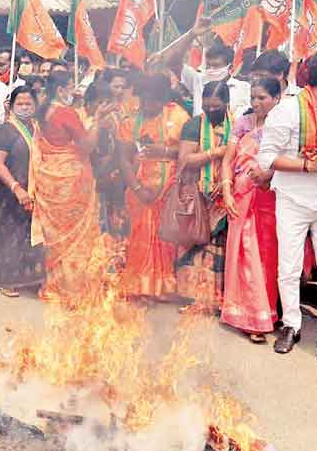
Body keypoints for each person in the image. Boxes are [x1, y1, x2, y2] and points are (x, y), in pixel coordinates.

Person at [256, 49, 317, 361]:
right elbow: (266, 157)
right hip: (293, 199)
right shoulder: (288, 110)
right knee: (289, 266)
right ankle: (291, 324)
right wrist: (305, 166)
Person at [220, 77, 281, 342]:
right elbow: (227, 160)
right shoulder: (242, 123)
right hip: (240, 195)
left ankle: (263, 314)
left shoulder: (282, 126)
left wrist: (267, 176)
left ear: (277, 98)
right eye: (254, 98)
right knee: (241, 254)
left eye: (263, 98)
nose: (257, 103)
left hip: (268, 197)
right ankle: (245, 315)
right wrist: (226, 190)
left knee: (265, 256)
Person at [119, 75, 189, 300]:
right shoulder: (130, 121)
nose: (148, 105)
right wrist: (137, 188)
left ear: (163, 98)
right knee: (140, 236)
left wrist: (165, 152)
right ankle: (139, 285)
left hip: (170, 189)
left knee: (165, 237)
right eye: (145, 100)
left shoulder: (178, 116)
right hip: (140, 191)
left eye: (154, 100)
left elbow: (189, 150)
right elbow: (123, 158)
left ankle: (163, 287)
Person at [33, 71, 101, 302]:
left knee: (56, 237)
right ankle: (74, 290)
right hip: (70, 179)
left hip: (48, 177)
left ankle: (55, 285)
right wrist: (97, 120)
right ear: (61, 89)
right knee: (75, 238)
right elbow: (87, 147)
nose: (74, 92)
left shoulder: (42, 111)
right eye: (71, 87)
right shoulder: (66, 112)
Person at [175, 81, 232, 311]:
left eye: (216, 107)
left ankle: (217, 299)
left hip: (226, 193)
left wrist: (226, 182)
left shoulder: (236, 125)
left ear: (226, 104)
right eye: (207, 107)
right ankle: (194, 298)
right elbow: (185, 159)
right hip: (198, 192)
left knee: (220, 249)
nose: (211, 111)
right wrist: (215, 152)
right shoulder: (194, 125)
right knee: (198, 244)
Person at [0, 85, 46, 297]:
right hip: (9, 191)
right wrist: (16, 188)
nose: (24, 107)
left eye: (28, 103)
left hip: (35, 189)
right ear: (11, 106)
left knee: (31, 234)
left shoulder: (37, 127)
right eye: (19, 104)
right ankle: (8, 280)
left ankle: (31, 278)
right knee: (10, 234)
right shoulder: (5, 131)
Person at [158, 17, 250, 118]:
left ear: (230, 67)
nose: (210, 69)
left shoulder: (243, 88)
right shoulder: (198, 80)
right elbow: (173, 62)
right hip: (199, 132)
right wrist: (192, 34)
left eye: (216, 66)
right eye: (208, 65)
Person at [87, 81, 128, 241]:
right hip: (90, 182)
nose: (104, 107)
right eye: (100, 103)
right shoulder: (85, 121)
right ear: (89, 103)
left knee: (112, 225)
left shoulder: (115, 119)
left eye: (108, 102)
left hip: (113, 180)